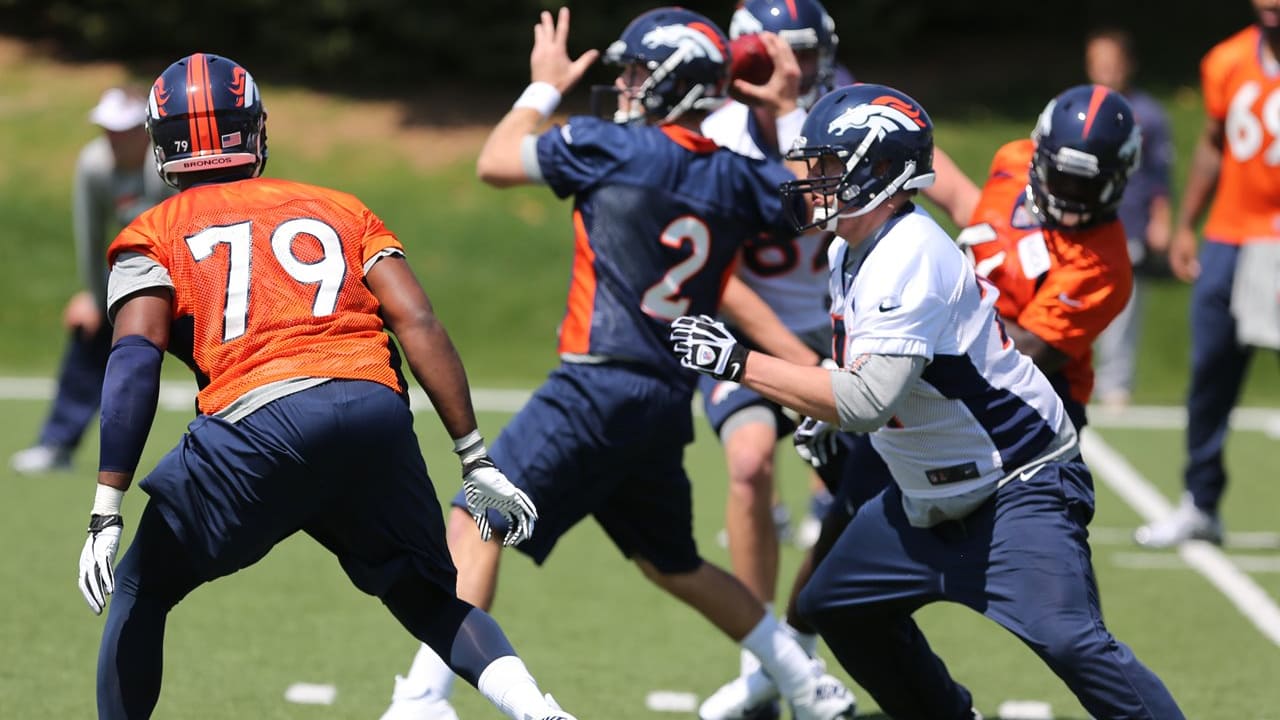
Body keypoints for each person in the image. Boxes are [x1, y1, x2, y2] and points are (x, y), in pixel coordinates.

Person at [380, 8, 857, 720]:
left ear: (668, 82)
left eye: (636, 72)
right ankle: (805, 680)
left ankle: (437, 701)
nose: (625, 84)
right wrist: (787, 109)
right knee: (674, 564)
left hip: (599, 380)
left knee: (476, 518)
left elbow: (495, 160)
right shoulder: (731, 174)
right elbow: (818, 196)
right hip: (667, 395)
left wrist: (542, 89)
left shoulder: (608, 147)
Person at [78, 52, 574, 720]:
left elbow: (134, 360)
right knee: (429, 601)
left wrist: (107, 503)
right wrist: (474, 455)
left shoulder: (152, 232)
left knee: (140, 586)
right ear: (254, 130)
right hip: (370, 411)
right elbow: (417, 319)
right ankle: (537, 710)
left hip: (258, 426)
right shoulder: (338, 207)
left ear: (160, 143)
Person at [671, 83, 1185, 720]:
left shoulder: (910, 254)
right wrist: (820, 402)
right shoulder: (851, 253)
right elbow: (871, 377)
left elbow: (864, 399)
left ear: (878, 173)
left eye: (829, 167)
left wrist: (737, 361)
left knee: (1071, 641)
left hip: (1013, 484)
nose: (814, 181)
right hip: (926, 487)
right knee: (836, 605)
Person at [1135, 0, 1280, 549]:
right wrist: (1187, 223)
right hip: (1231, 236)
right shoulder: (1226, 60)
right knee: (1211, 373)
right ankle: (1201, 501)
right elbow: (1214, 144)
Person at [11, 86, 174, 474]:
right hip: (135, 272)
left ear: (145, 129)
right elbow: (90, 239)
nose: (113, 139)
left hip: (188, 274)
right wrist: (96, 298)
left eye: (124, 129)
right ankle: (56, 443)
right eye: (108, 129)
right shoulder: (94, 165)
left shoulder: (164, 165)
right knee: (89, 332)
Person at [1083, 28, 1175, 410]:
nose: (1106, 72)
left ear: (1128, 66)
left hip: (1128, 223)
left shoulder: (1150, 116)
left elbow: (1159, 174)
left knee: (1122, 307)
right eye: (1098, 64)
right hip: (1081, 223)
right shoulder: (1076, 109)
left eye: (1113, 64)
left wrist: (1161, 219)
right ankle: (1070, 374)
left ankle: (1115, 382)